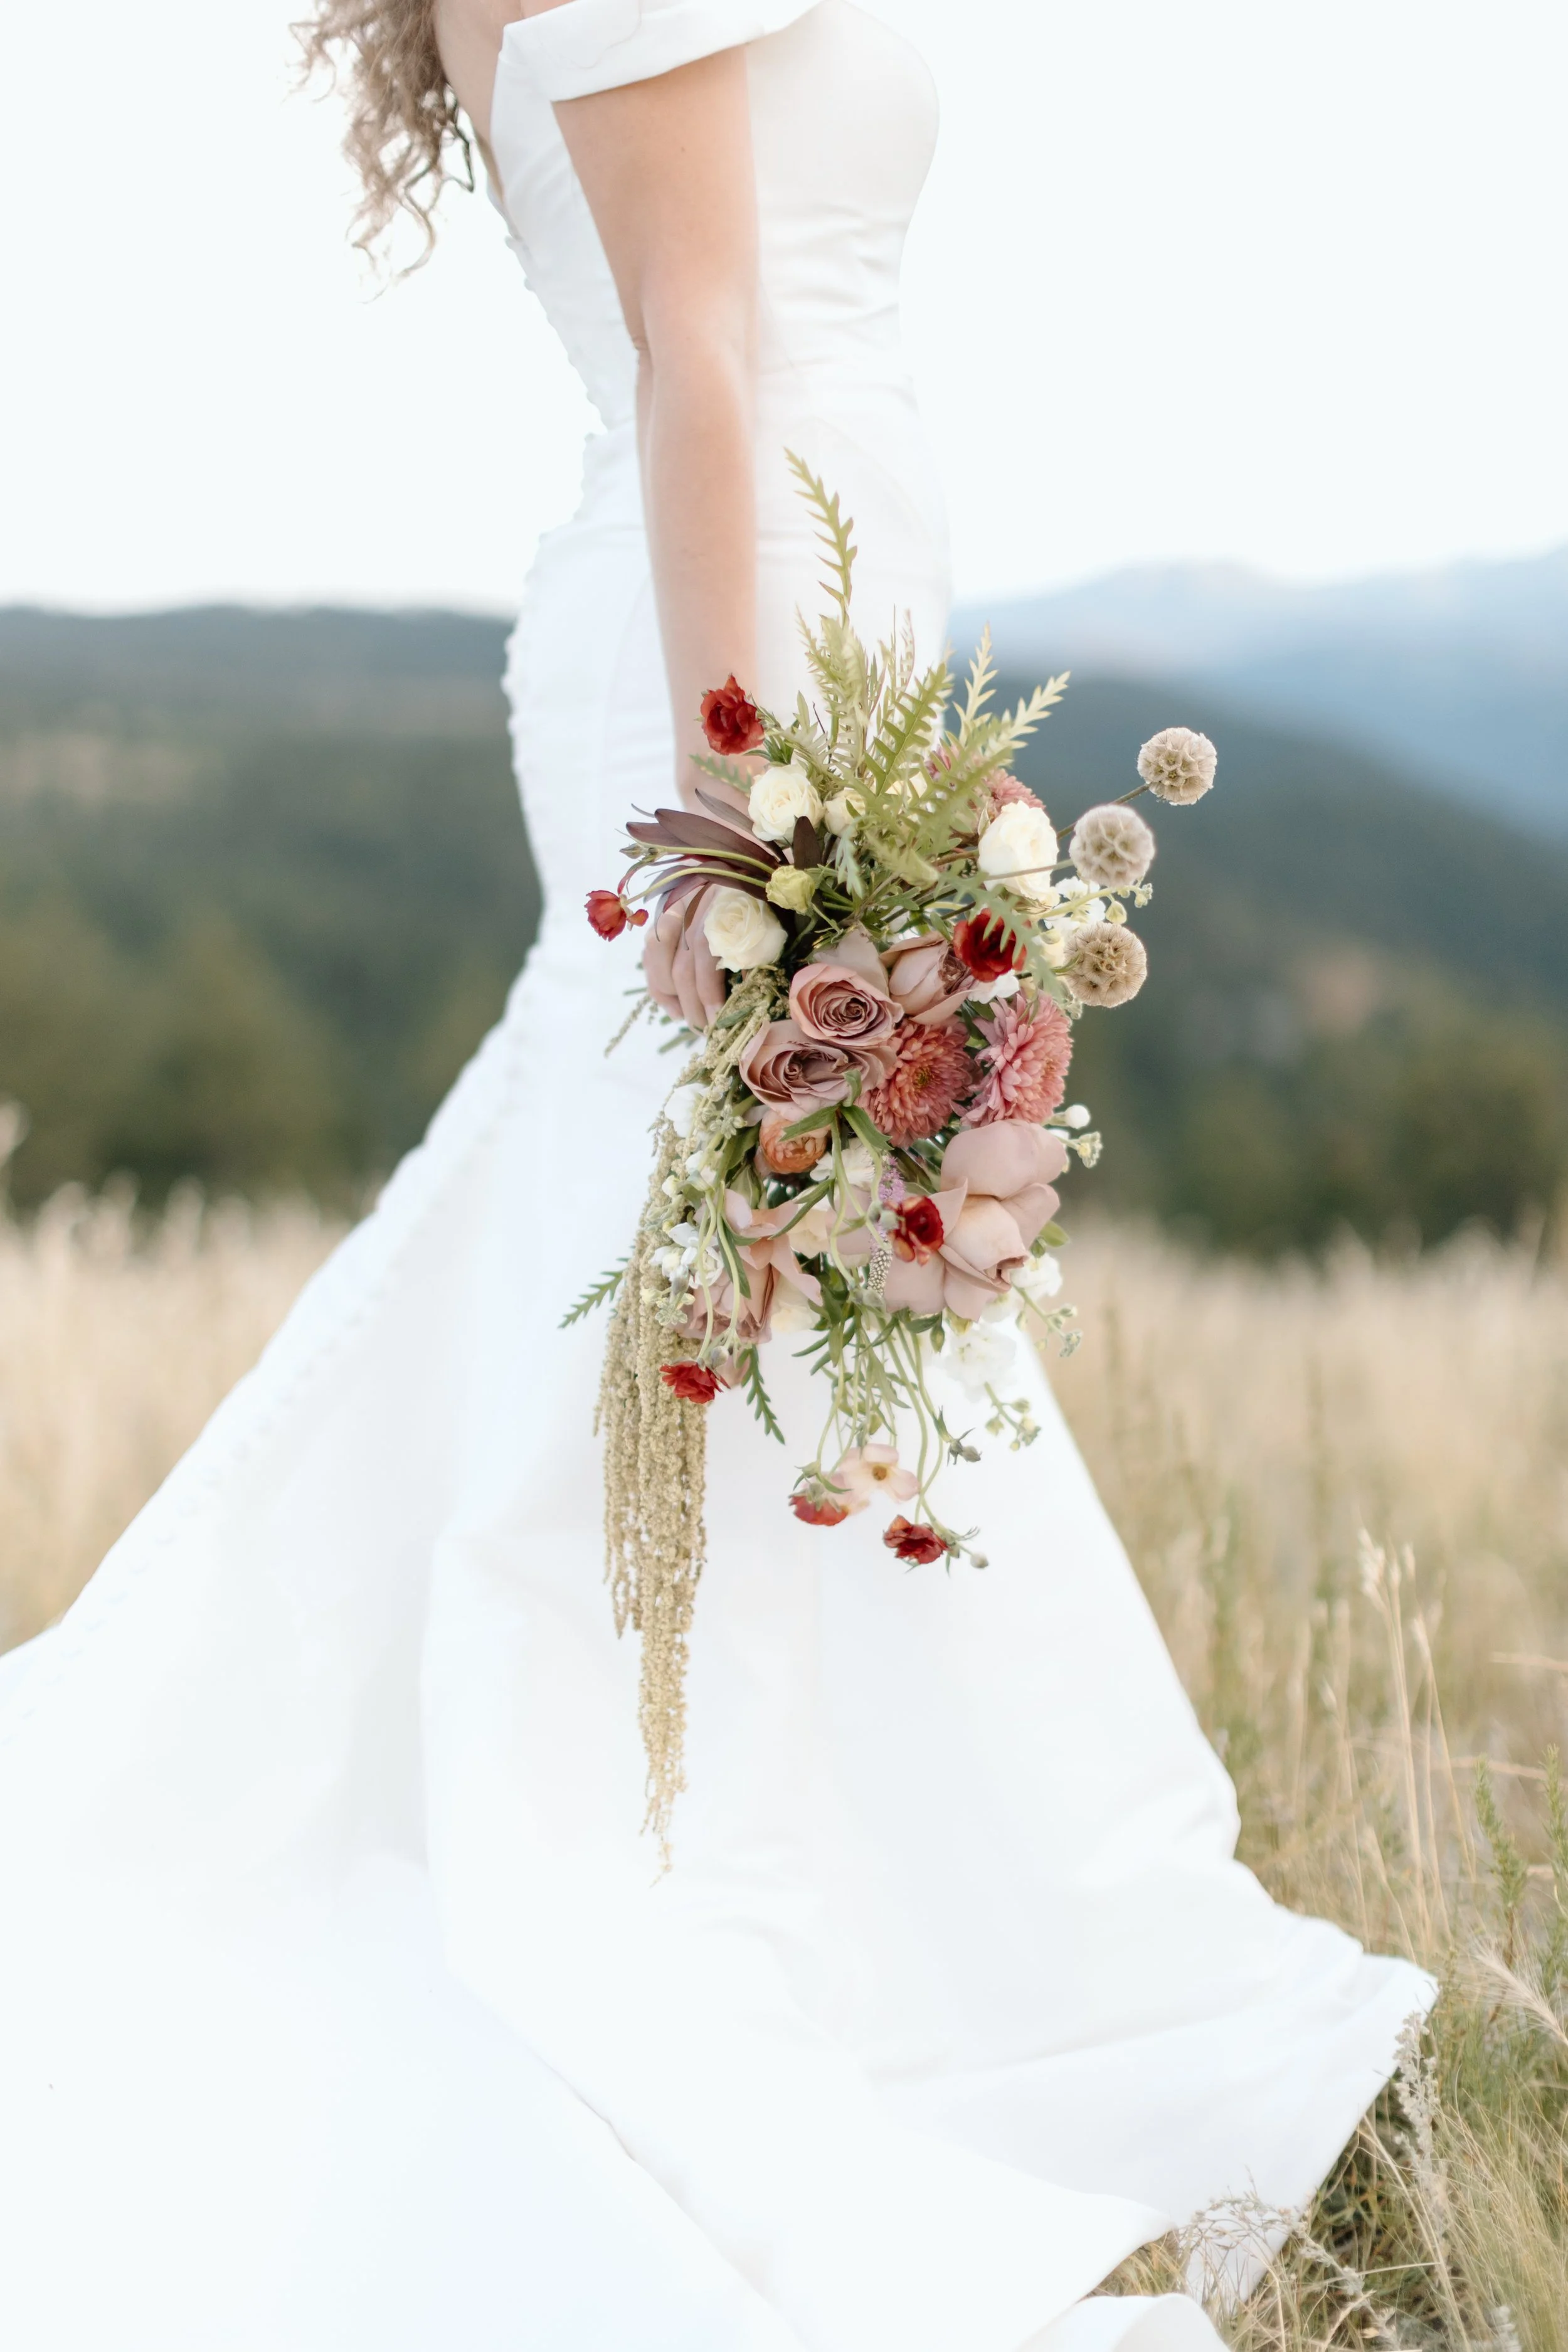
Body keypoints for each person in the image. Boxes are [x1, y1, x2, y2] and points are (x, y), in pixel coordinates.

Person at [0, 3, 1431, 2346]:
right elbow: (693, 349)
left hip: (801, 599)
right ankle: (720, 1901)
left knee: (746, 1273)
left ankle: (845, 1896)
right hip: (729, 651)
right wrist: (751, 826)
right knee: (714, 1242)